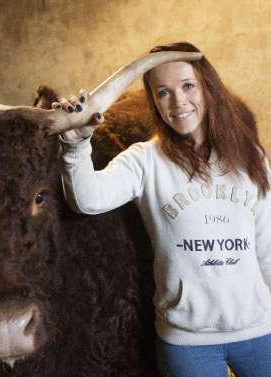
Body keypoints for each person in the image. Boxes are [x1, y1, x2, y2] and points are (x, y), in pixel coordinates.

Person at [57, 42, 271, 377]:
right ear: (155, 102)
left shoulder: (250, 157)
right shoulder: (145, 160)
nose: (178, 101)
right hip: (187, 344)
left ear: (208, 89)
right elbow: (88, 199)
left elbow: (266, 246)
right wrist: (75, 144)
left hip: (260, 333)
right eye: (163, 92)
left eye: (188, 86)